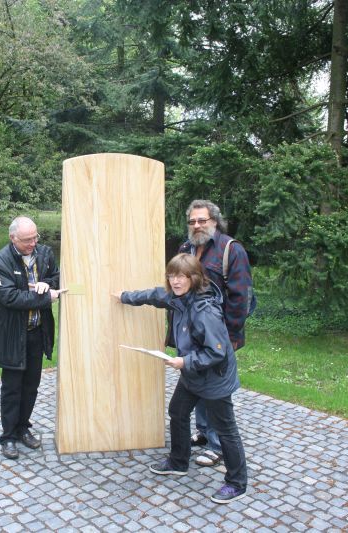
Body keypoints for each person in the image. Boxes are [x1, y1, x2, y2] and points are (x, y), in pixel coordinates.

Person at [115, 253, 248, 503]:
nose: (175, 282)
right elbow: (154, 295)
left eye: (182, 277)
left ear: (194, 278)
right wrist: (124, 297)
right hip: (193, 374)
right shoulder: (178, 298)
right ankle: (178, 462)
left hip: (214, 377)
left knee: (226, 430)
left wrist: (184, 361)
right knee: (177, 412)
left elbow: (217, 352)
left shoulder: (205, 310)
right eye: (172, 276)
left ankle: (237, 482)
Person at [177, 199, 254, 470]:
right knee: (196, 382)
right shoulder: (187, 248)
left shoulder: (230, 250)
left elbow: (240, 296)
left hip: (217, 337)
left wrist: (231, 336)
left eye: (202, 220)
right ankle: (204, 432)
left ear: (215, 222)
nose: (197, 225)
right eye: (193, 221)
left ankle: (217, 445)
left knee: (215, 391)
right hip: (191, 335)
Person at [0, 216, 65, 460]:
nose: (33, 243)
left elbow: (56, 277)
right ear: (13, 238)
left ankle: (23, 428)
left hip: (37, 332)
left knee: (31, 386)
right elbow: (10, 297)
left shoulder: (44, 254)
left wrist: (45, 284)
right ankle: (8, 437)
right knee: (12, 388)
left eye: (35, 237)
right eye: (27, 240)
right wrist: (46, 297)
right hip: (12, 336)